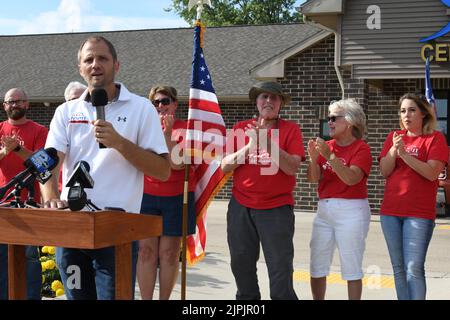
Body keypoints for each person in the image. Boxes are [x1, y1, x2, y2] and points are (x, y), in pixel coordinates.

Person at [40, 36, 171, 300]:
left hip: (117, 228)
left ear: (116, 65)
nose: (95, 64)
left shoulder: (141, 109)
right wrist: (51, 197)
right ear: (80, 68)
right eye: (88, 59)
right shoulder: (66, 111)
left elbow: (162, 170)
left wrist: (119, 143)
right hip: (73, 225)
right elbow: (49, 163)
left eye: (102, 58)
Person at [221, 81, 304, 300]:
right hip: (241, 206)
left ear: (280, 104)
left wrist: (266, 142)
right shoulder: (241, 128)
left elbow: (292, 166)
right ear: (256, 101)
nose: (268, 101)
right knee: (241, 262)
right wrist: (250, 146)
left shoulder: (290, 130)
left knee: (280, 267)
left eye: (274, 98)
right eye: (263, 97)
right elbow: (224, 165)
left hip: (276, 208)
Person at [379, 93, 448, 300]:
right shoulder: (394, 137)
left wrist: (405, 155)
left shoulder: (435, 138)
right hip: (390, 211)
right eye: (402, 111)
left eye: (411, 110)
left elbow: (431, 172)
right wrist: (394, 149)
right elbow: (384, 170)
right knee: (398, 269)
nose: (406, 115)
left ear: (423, 114)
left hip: (418, 213)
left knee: (413, 268)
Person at [307, 99, 372, 300]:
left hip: (352, 211)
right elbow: (313, 179)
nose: (330, 122)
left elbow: (352, 179)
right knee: (317, 265)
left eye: (335, 118)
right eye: (329, 118)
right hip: (324, 210)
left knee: (351, 267)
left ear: (350, 121)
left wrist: (331, 157)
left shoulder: (362, 148)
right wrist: (312, 158)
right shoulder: (326, 146)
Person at [137, 85, 196, 300]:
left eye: (165, 101)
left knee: (169, 254)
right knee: (146, 252)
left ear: (175, 104)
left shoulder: (187, 129)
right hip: (146, 196)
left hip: (177, 197)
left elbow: (178, 165)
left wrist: (168, 134)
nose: (161, 106)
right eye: (156, 102)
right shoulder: (143, 128)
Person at [0, 88, 49, 300]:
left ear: (27, 104)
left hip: (29, 202)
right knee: (2, 257)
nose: (14, 105)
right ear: (4, 106)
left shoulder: (39, 131)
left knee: (29, 256)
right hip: (2, 202)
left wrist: (18, 150)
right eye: (10, 102)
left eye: (18, 101)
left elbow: (43, 164)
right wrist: (4, 151)